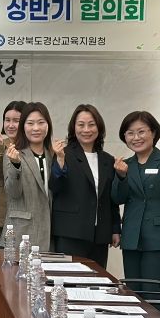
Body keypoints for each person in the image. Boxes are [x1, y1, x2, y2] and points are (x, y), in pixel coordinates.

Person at [111, 111, 160, 285]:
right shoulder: (125, 165)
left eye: (141, 132)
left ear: (153, 133)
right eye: (130, 133)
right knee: (134, 290)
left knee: (153, 290)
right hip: (132, 238)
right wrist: (121, 177)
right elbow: (117, 198)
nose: (136, 138)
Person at [49, 104, 121, 267]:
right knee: (69, 279)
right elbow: (55, 186)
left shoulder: (108, 160)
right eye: (81, 125)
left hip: (100, 236)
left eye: (91, 124)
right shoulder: (64, 154)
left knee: (97, 279)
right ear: (73, 128)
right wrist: (60, 161)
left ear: (99, 127)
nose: (86, 130)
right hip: (71, 233)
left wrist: (115, 229)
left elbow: (110, 199)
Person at [3, 102, 54, 251]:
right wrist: (15, 165)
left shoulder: (54, 154)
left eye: (41, 123)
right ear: (23, 127)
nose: (36, 128)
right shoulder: (14, 152)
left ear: (48, 125)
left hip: (49, 234)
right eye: (30, 123)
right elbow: (13, 193)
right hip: (21, 234)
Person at [0, 101, 27, 248]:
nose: (10, 125)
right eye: (7, 120)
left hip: (27, 216)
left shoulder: (34, 147)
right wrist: (0, 146)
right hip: (3, 216)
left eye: (16, 121)